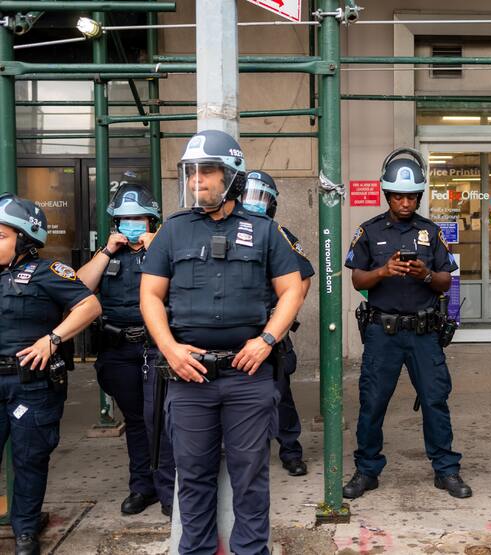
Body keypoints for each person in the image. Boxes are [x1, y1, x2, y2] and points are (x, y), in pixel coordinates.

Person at [140, 130, 304, 554]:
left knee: (250, 475)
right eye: (192, 173)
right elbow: (150, 297)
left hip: (248, 376)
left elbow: (292, 291)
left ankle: (251, 551)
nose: (197, 181)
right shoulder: (172, 232)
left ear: (231, 177)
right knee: (193, 475)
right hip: (188, 377)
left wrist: (268, 340)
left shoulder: (264, 231)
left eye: (207, 172)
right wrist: (170, 350)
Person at [343, 148, 471, 500]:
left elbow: (446, 281)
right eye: (398, 195)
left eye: (411, 196)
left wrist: (425, 273)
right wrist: (384, 271)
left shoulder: (431, 232)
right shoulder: (368, 232)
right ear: (388, 195)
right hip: (382, 333)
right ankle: (367, 470)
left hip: (423, 333)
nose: (405, 202)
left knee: (435, 400)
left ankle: (446, 470)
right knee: (372, 403)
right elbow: (357, 281)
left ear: (419, 196)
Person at [0, 194, 101, 555]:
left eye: (1, 236)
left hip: (31, 383)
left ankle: (24, 530)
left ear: (25, 239)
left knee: (29, 459)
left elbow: (89, 306)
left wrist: (52, 339)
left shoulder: (48, 272)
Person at [76, 183, 176, 517]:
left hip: (155, 348)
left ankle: (168, 490)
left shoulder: (165, 248)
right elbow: (77, 289)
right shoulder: (107, 255)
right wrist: (105, 252)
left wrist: (157, 248)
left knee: (159, 419)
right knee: (135, 421)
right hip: (118, 349)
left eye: (138, 218)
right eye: (124, 220)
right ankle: (141, 487)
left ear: (152, 220)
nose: (131, 224)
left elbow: (181, 289)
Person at [242, 170, 314, 476]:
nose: (255, 203)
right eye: (249, 196)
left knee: (279, 394)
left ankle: (290, 451)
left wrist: (284, 316)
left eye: (262, 198)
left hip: (270, 330)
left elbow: (304, 278)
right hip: (235, 328)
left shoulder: (279, 234)